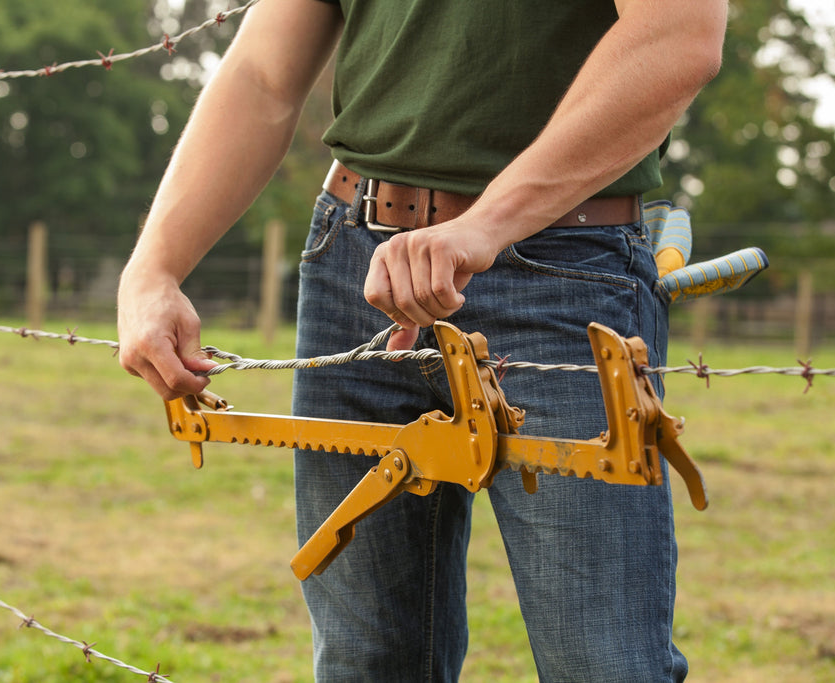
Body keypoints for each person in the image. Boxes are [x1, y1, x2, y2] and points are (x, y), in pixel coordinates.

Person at [117, 0, 727, 680]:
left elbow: (677, 37)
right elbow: (264, 72)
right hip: (357, 262)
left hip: (566, 270)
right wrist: (153, 268)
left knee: (605, 664)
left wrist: (486, 224)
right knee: (365, 662)